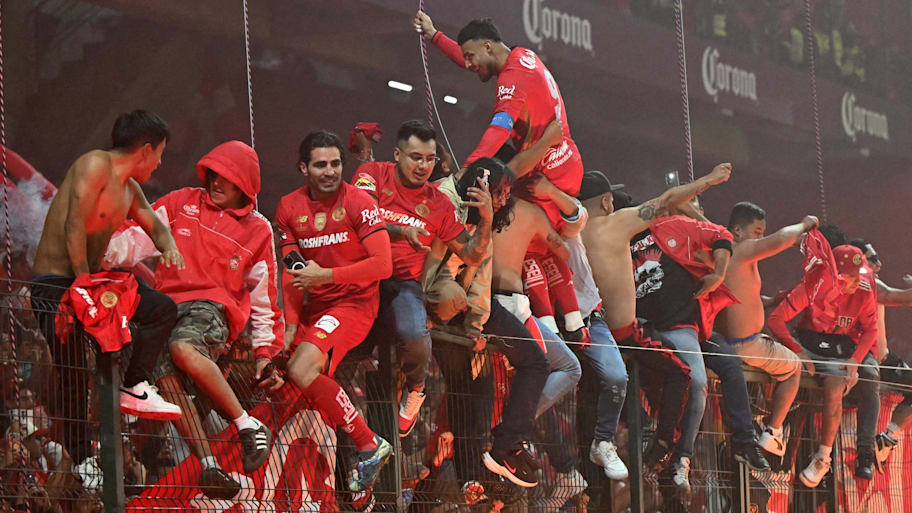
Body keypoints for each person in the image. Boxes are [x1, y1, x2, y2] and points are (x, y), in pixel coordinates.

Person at [107, 140, 284, 498]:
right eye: (214, 175)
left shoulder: (259, 229)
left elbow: (265, 299)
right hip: (166, 309)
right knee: (167, 382)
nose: (217, 183)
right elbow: (136, 238)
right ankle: (209, 467)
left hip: (210, 311)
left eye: (228, 178)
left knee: (183, 347)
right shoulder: (179, 202)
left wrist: (266, 351)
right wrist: (98, 249)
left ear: (245, 184)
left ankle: (248, 425)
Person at [30, 110, 182, 471]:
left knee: (161, 309)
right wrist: (83, 280)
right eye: (160, 154)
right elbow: (74, 225)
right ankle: (82, 458)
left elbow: (155, 225)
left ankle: (134, 383)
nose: (159, 163)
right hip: (57, 284)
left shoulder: (130, 190)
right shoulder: (94, 164)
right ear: (146, 149)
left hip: (94, 284)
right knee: (72, 370)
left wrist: (170, 245)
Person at [581, 163, 731, 494]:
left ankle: (611, 459)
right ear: (607, 202)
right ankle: (665, 443)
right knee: (680, 372)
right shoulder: (615, 224)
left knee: (599, 394)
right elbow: (667, 199)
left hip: (588, 331)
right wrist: (709, 180)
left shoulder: (573, 231)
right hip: (622, 332)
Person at [352, 120, 493, 438]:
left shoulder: (439, 203)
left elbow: (471, 255)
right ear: (397, 153)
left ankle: (415, 390)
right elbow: (360, 220)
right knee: (350, 351)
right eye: (415, 157)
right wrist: (401, 231)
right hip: (362, 277)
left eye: (429, 159)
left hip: (403, 284)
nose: (423, 165)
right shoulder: (372, 174)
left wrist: (486, 220)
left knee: (415, 334)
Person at [422, 156, 551, 490]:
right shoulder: (444, 200)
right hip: (436, 299)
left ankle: (507, 446)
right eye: (502, 191)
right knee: (465, 388)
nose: (506, 198)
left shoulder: (485, 214)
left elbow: (481, 272)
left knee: (534, 362)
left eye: (508, 192)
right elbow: (432, 269)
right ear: (480, 186)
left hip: (472, 302)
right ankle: (465, 476)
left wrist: (476, 323)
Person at [277, 130, 395, 492]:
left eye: (335, 163)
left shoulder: (359, 202)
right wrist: (291, 326)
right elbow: (292, 272)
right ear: (303, 168)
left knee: (301, 368)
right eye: (320, 165)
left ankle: (369, 443)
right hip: (316, 308)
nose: (329, 171)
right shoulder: (287, 208)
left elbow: (384, 265)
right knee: (288, 385)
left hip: (354, 304)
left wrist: (326, 275)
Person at [629, 169, 739, 495]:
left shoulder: (672, 226)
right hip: (637, 331)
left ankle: (682, 458)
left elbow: (721, 234)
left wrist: (718, 275)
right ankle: (656, 451)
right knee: (624, 382)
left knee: (699, 382)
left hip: (677, 328)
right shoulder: (619, 237)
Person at [767, 240, 880, 486]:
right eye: (846, 278)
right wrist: (798, 351)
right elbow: (776, 320)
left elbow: (872, 329)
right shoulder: (814, 281)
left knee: (845, 381)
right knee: (788, 369)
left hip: (842, 345)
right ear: (833, 273)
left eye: (856, 276)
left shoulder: (864, 284)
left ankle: (824, 457)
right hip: (808, 340)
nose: (853, 283)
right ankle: (772, 433)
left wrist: (855, 360)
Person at [716, 203, 817, 456]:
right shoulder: (741, 249)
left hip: (735, 342)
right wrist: (804, 225)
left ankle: (762, 422)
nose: (760, 238)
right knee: (794, 367)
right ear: (738, 230)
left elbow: (742, 297)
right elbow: (779, 239)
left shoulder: (727, 254)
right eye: (757, 232)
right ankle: (773, 431)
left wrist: (770, 301)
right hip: (745, 344)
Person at [565, 171, 630, 480]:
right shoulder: (559, 228)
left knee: (616, 378)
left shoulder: (586, 228)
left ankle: (603, 442)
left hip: (591, 318)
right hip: (555, 321)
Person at [846, 238, 912, 470]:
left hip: (882, 361)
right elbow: (901, 298)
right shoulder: (862, 284)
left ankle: (886, 439)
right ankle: (882, 441)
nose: (879, 263)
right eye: (873, 259)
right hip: (870, 363)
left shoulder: (869, 282)